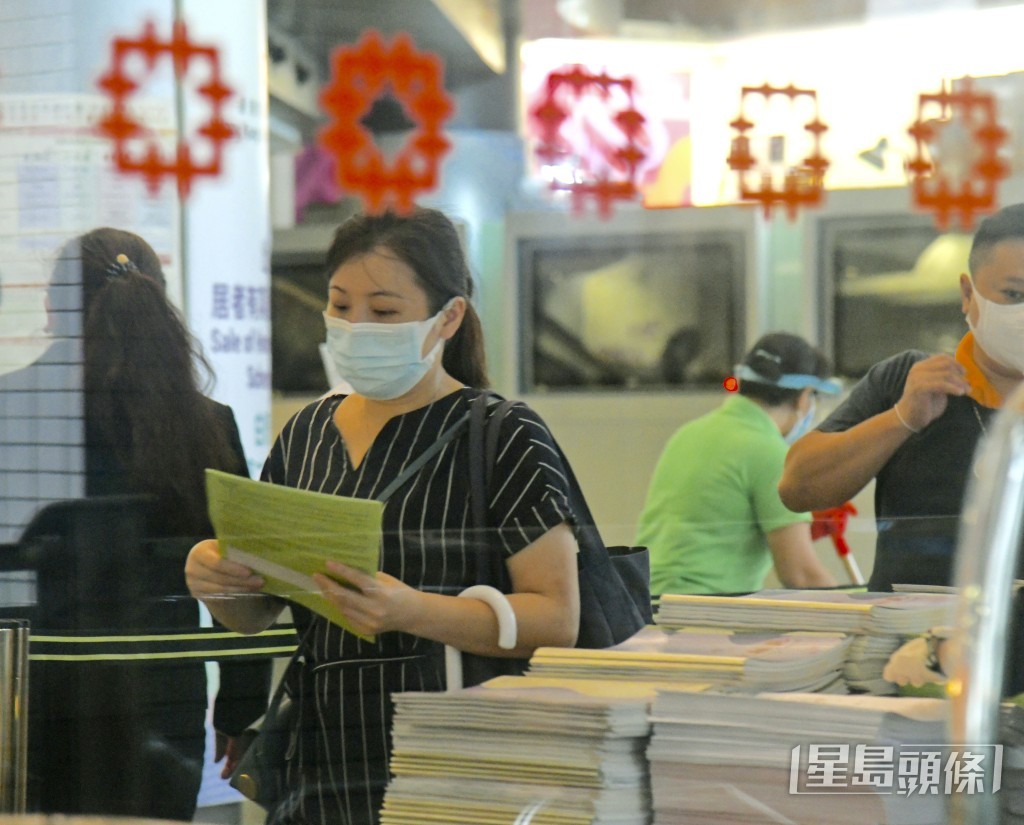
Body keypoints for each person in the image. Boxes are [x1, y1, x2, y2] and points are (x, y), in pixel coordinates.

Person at [184, 207, 582, 825]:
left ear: (448, 317)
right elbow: (257, 613)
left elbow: (557, 615)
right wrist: (215, 580)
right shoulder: (308, 431)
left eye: (385, 311)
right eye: (340, 306)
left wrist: (411, 610)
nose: (356, 326)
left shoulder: (503, 433)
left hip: (455, 760)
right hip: (321, 760)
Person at [19, 228, 271, 820]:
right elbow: (242, 574)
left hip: (31, 695)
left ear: (53, 309)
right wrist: (238, 708)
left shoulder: (11, 409)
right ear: (159, 303)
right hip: (162, 701)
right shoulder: (205, 424)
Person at [779, 202, 1024, 592]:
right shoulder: (909, 380)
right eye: (1014, 294)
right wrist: (902, 418)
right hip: (908, 640)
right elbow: (797, 487)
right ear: (967, 293)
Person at [635, 332, 840, 596]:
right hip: (704, 612)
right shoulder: (769, 452)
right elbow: (799, 574)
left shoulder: (689, 433)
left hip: (647, 602)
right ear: (804, 396)